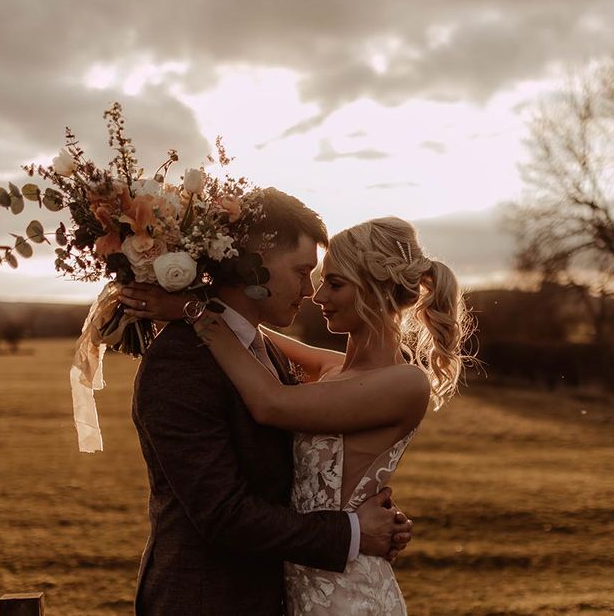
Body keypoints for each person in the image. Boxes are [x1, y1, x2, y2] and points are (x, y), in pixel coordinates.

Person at [122, 190, 413, 616]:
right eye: (302, 271)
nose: (310, 290)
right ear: (250, 263)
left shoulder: (262, 349)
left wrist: (365, 504)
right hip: (207, 602)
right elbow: (222, 514)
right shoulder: (181, 361)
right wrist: (352, 531)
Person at [191, 216, 472, 614]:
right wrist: (201, 290)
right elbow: (256, 335)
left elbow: (270, 404)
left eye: (335, 284)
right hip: (301, 582)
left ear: (377, 291)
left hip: (348, 594)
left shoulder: (406, 384)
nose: (317, 296)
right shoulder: (335, 370)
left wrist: (195, 314)